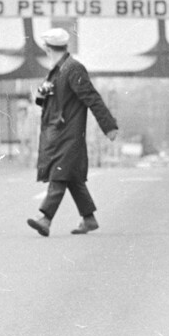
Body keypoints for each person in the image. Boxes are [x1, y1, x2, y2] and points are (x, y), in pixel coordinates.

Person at [27, 28, 119, 237]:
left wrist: (109, 126)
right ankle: (89, 219)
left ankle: (45, 219)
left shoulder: (73, 69)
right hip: (58, 134)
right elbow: (49, 102)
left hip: (68, 134)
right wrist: (42, 94)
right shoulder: (58, 70)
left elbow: (91, 97)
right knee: (71, 178)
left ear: (48, 49)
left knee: (59, 176)